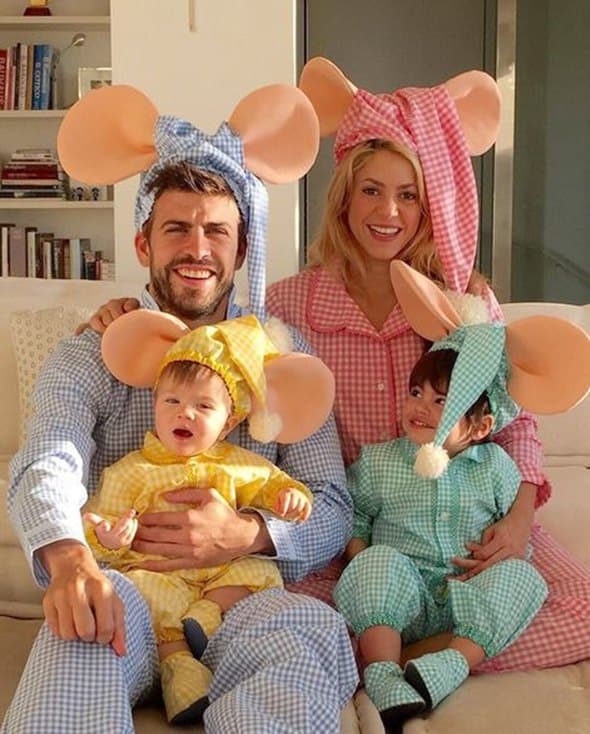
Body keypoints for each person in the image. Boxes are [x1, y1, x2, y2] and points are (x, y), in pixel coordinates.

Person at [79, 58, 590, 674]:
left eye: (409, 195)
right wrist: (128, 310)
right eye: (371, 190)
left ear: (431, 204)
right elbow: (210, 343)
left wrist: (519, 520)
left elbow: (516, 422)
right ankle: (386, 654)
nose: (389, 211)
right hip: (357, 540)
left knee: (582, 608)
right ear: (344, 196)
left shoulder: (465, 303)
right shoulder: (288, 307)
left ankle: (418, 660)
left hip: (467, 523)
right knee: (301, 632)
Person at [2, 82, 358, 734]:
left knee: (309, 632)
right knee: (78, 629)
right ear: (144, 246)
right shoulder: (93, 351)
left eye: (216, 231)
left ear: (241, 249)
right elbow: (47, 456)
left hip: (246, 597)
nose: (198, 248)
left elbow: (333, 504)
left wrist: (250, 533)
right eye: (176, 229)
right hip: (133, 591)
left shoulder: (284, 356)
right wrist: (72, 561)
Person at [334, 259, 589, 727]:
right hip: (403, 593)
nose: (421, 407)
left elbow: (515, 535)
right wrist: (360, 554)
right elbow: (358, 516)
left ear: (480, 427)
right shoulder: (379, 461)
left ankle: (452, 663)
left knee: (523, 578)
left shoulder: (495, 467)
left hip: (466, 595)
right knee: (374, 564)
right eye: (416, 392)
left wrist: (503, 560)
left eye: (442, 401)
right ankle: (383, 671)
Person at [84, 312, 331, 724]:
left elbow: (274, 484)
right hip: (162, 574)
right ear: (154, 404)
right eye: (172, 402)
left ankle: (206, 618)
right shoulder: (131, 471)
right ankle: (181, 672)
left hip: (224, 573)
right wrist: (109, 536)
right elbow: (100, 520)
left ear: (228, 422)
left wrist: (291, 496)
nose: (186, 414)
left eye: (203, 406)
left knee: (258, 571)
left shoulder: (238, 464)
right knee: (138, 588)